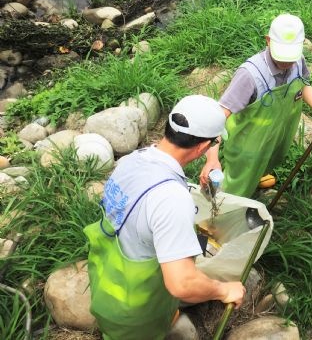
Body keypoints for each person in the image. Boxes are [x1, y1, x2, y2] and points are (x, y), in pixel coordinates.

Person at [84, 95, 246, 340]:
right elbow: (182, 284)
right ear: (203, 147)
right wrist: (223, 290)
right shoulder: (171, 198)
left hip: (107, 279)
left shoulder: (132, 160)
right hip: (136, 310)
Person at [200, 13, 312, 198]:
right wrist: (212, 159)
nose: (286, 62)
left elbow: (303, 84)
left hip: (275, 137)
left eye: (291, 56)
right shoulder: (249, 76)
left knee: (268, 160)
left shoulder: (298, 61)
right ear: (267, 41)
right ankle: (221, 210)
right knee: (234, 188)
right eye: (282, 55)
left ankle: (258, 176)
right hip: (247, 146)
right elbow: (218, 117)